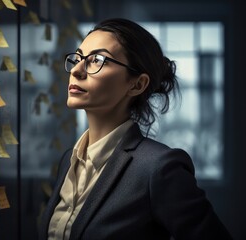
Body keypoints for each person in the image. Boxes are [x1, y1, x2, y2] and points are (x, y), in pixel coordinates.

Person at [38, 18, 232, 240]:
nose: (77, 70)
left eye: (97, 60)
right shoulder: (69, 160)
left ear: (137, 84)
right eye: (78, 57)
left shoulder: (158, 168)